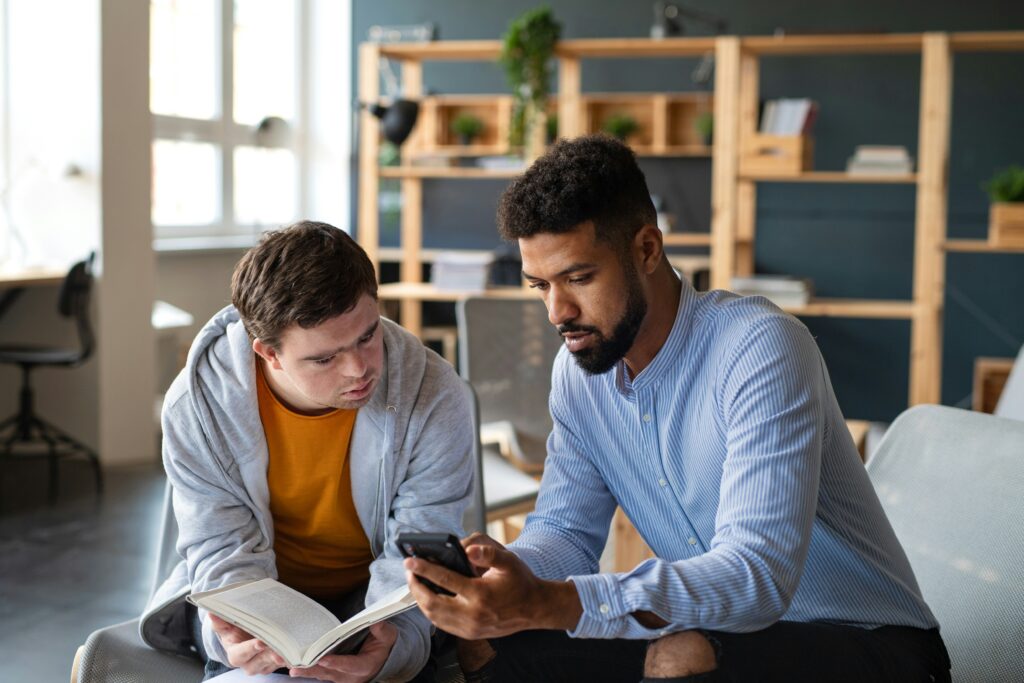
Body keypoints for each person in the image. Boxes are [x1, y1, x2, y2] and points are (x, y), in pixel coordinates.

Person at [403, 136, 952, 682]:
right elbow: (566, 533)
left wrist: (554, 603)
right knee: (491, 645)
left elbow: (757, 577)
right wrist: (509, 575)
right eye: (540, 286)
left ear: (646, 249)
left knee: (682, 656)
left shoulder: (760, 348)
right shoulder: (578, 376)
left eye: (578, 278)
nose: (557, 311)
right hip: (729, 639)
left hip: (876, 647)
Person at [140, 221, 474, 682]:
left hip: (373, 607)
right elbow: (220, 547)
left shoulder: (434, 395)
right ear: (268, 353)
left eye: (367, 335)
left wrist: (396, 645)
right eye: (324, 358)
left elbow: (420, 550)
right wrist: (234, 637)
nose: (359, 369)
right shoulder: (197, 405)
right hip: (258, 604)